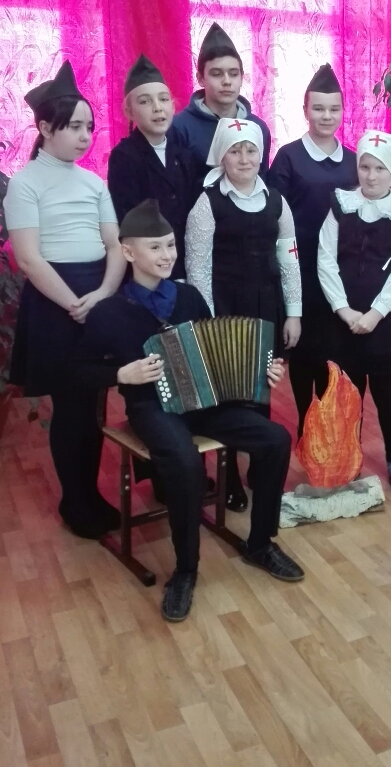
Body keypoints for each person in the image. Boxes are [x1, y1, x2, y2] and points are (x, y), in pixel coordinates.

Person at [81, 199, 305, 622]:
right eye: (155, 247)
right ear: (128, 252)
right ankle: (186, 570)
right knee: (184, 461)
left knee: (275, 438)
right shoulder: (109, 312)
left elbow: (217, 356)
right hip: (152, 408)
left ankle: (261, 544)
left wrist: (261, 371)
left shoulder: (188, 297)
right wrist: (121, 374)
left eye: (170, 245)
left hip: (204, 403)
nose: (167, 255)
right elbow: (78, 372)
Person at [4, 61, 126, 538]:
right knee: (71, 406)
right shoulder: (25, 183)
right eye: (74, 126)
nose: (85, 136)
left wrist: (104, 293)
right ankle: (75, 500)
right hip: (54, 299)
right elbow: (29, 259)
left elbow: (115, 245)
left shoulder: (94, 183)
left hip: (98, 292)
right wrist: (75, 302)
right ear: (45, 128)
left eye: (89, 127)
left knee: (95, 403)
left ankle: (90, 493)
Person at [185, 117, 302, 510]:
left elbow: (289, 261)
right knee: (229, 394)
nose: (245, 158)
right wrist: (207, 322)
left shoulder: (277, 202)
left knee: (261, 387)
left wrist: (294, 313)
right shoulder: (207, 203)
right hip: (225, 308)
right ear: (222, 155)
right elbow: (198, 267)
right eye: (235, 151)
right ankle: (229, 477)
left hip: (266, 306)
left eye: (251, 150)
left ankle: (260, 465)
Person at [317, 130, 391, 493]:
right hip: (343, 315)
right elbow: (325, 259)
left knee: (385, 391)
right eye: (365, 167)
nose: (371, 176)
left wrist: (375, 314)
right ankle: (349, 457)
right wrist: (342, 309)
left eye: (380, 169)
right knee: (348, 391)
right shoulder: (341, 204)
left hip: (383, 318)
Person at [267, 64, 358, 437]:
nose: (326, 116)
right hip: (301, 270)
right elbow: (274, 215)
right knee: (305, 350)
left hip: (342, 272)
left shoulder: (354, 161)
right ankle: (307, 422)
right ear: (305, 110)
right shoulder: (288, 157)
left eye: (334, 109)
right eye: (318, 108)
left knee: (337, 351)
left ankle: (333, 426)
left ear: (343, 111)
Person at [107, 54, 201, 281]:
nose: (157, 108)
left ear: (173, 106)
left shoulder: (185, 155)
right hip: (147, 270)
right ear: (129, 112)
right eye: (145, 101)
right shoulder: (124, 157)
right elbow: (128, 220)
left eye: (163, 99)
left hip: (186, 264)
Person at [172, 22, 271, 179]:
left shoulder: (257, 127)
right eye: (217, 74)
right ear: (200, 78)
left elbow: (262, 181)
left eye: (233, 74)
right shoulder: (179, 128)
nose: (227, 81)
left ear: (242, 77)